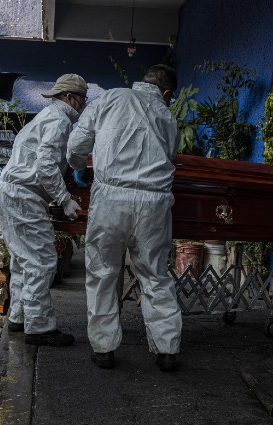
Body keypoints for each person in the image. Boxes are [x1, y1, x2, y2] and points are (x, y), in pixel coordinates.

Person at [66, 64, 182, 371]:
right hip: (155, 203)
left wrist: (78, 164)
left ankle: (104, 349)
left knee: (103, 273)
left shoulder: (110, 98)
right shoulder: (168, 116)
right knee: (155, 275)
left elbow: (77, 146)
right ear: (166, 93)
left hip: (111, 198)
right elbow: (170, 156)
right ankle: (167, 350)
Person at [0, 74, 87, 346]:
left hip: (12, 191)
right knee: (42, 260)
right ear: (70, 97)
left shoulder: (45, 117)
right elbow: (46, 166)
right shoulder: (59, 121)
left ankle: (19, 318)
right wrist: (65, 198)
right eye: (82, 99)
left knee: (24, 260)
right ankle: (39, 328)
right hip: (24, 194)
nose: (83, 105)